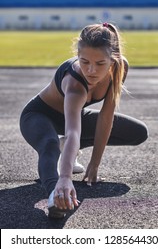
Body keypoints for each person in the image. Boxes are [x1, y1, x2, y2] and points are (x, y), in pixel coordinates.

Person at [20, 23, 148, 218]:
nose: (91, 70)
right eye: (84, 61)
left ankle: (65, 150)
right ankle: (56, 194)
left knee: (138, 132)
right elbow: (73, 132)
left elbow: (107, 116)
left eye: (100, 64)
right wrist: (65, 177)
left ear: (112, 60)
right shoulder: (74, 83)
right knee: (50, 144)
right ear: (77, 56)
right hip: (38, 116)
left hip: (74, 117)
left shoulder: (120, 67)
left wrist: (94, 164)